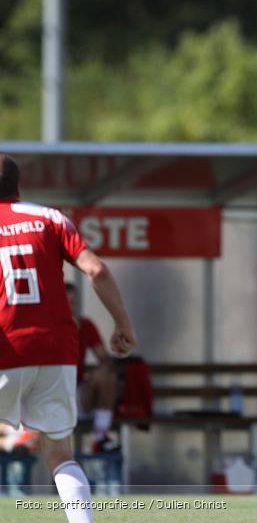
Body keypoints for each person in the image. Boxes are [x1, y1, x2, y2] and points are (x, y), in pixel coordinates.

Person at [0, 155, 137, 523]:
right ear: (19, 186)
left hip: (6, 349)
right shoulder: (50, 218)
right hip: (55, 352)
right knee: (60, 454)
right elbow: (96, 269)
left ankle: (14, 437)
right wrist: (123, 323)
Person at [65, 282, 120, 453]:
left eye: (74, 302)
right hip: (52, 395)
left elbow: (104, 358)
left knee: (107, 377)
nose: (71, 307)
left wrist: (99, 372)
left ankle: (100, 437)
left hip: (78, 393)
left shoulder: (85, 325)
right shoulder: (48, 326)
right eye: (66, 302)